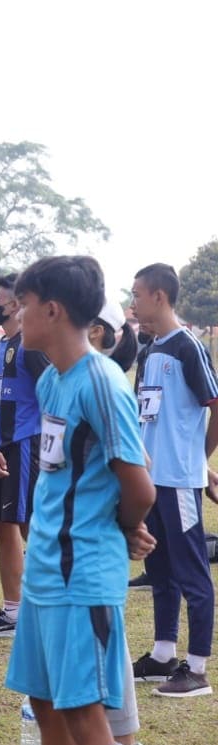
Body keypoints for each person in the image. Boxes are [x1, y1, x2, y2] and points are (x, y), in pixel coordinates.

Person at [4, 255, 157, 745]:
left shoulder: (102, 382)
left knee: (87, 717)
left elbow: (138, 485)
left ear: (53, 309)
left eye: (22, 303)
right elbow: (67, 473)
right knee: (47, 709)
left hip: (81, 577)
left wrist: (124, 528)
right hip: (44, 573)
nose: (14, 315)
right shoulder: (50, 380)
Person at [129, 262, 217, 697]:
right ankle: (162, 655)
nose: (132, 304)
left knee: (191, 571)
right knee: (158, 569)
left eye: (137, 295)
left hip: (180, 481)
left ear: (159, 297)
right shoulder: (148, 349)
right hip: (151, 480)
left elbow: (215, 405)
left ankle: (197, 668)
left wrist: (198, 464)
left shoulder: (187, 346)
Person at [0, 274, 50, 638]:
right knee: (2, 527)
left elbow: (55, 393)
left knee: (27, 527)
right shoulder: (2, 344)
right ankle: (14, 611)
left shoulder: (30, 346)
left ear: (16, 304)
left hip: (26, 445)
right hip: (3, 444)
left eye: (0, 298)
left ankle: (38, 609)